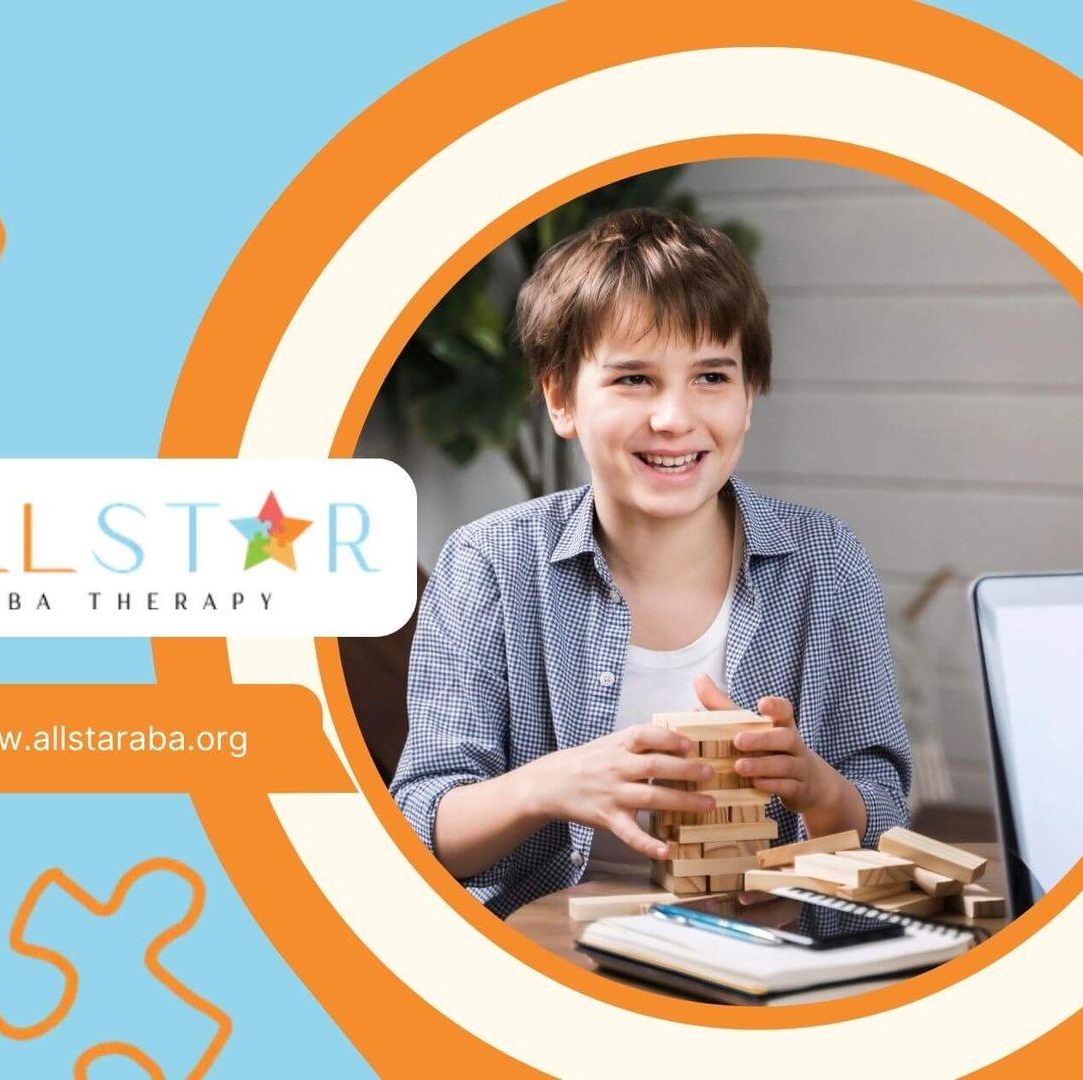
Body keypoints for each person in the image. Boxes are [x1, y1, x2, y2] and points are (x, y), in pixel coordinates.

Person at [389, 207, 911, 917]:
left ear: (749, 396)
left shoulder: (827, 561)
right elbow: (418, 828)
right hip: (549, 956)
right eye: (633, 379)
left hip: (768, 952)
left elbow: (883, 820)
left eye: (711, 377)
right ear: (560, 397)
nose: (674, 417)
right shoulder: (489, 563)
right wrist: (554, 783)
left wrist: (821, 793)